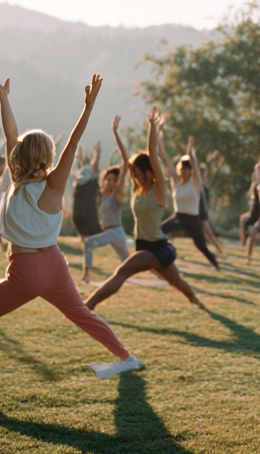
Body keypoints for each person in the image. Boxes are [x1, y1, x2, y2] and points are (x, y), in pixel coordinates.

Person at [0, 70, 141, 392]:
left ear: (20, 156)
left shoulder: (21, 181)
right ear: (45, 156)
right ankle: (126, 357)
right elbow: (66, 141)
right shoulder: (47, 185)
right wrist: (6, 99)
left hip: (26, 271)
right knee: (81, 313)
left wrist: (6, 100)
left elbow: (35, 138)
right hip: (54, 264)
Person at [84, 109, 204, 310]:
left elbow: (153, 154)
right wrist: (116, 133)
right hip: (145, 246)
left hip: (157, 247)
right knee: (175, 281)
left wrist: (153, 128)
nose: (136, 177)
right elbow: (125, 160)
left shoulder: (159, 189)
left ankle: (87, 306)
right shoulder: (138, 190)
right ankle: (194, 298)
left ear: (150, 172)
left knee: (122, 271)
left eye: (140, 173)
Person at [80, 116, 133, 283]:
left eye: (112, 180)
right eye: (107, 179)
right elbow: (95, 170)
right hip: (110, 233)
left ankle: (85, 276)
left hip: (116, 232)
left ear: (117, 181)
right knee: (127, 263)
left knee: (129, 263)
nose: (109, 182)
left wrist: (115, 132)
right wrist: (97, 153)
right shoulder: (104, 194)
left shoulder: (117, 193)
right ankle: (86, 275)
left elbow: (125, 163)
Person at [159, 132, 220, 267]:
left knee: (201, 246)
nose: (185, 171)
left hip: (193, 220)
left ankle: (214, 262)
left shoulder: (195, 182)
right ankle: (163, 255)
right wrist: (159, 140)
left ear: (191, 170)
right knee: (158, 230)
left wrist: (190, 150)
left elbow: (194, 163)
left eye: (188, 169)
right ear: (180, 169)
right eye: (183, 169)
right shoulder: (176, 182)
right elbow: (166, 160)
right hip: (178, 217)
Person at [71, 143, 103, 250]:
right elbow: (94, 169)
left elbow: (82, 170)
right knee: (92, 240)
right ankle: (88, 255)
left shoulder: (78, 183)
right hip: (89, 215)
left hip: (77, 215)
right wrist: (96, 155)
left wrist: (78, 157)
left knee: (85, 240)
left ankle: (86, 256)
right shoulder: (92, 182)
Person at [198, 150, 226, 256]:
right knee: (206, 232)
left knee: (207, 232)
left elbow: (207, 173)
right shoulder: (194, 182)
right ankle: (217, 246)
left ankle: (217, 246)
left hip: (201, 211)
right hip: (196, 211)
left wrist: (209, 163)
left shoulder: (201, 182)